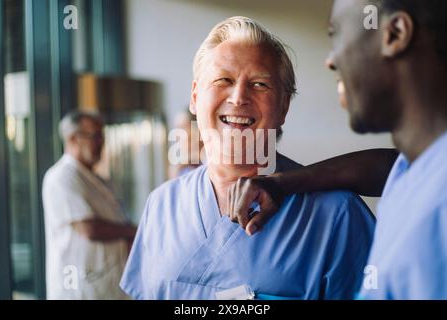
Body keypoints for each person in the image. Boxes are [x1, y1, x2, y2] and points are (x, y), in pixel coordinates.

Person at [120, 16, 375, 300]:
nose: (239, 97)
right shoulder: (161, 207)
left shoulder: (337, 215)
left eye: (260, 84)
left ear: (283, 106)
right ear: (195, 97)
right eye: (223, 80)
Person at [228, 0, 447, 299]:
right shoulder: (414, 171)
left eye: (337, 33)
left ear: (394, 34)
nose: (330, 60)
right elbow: (384, 166)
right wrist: (282, 183)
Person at [42, 111, 137, 299]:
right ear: (72, 139)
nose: (101, 142)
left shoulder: (99, 179)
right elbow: (89, 228)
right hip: (78, 290)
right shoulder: (60, 177)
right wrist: (132, 231)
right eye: (95, 136)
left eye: (102, 136)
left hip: (107, 285)